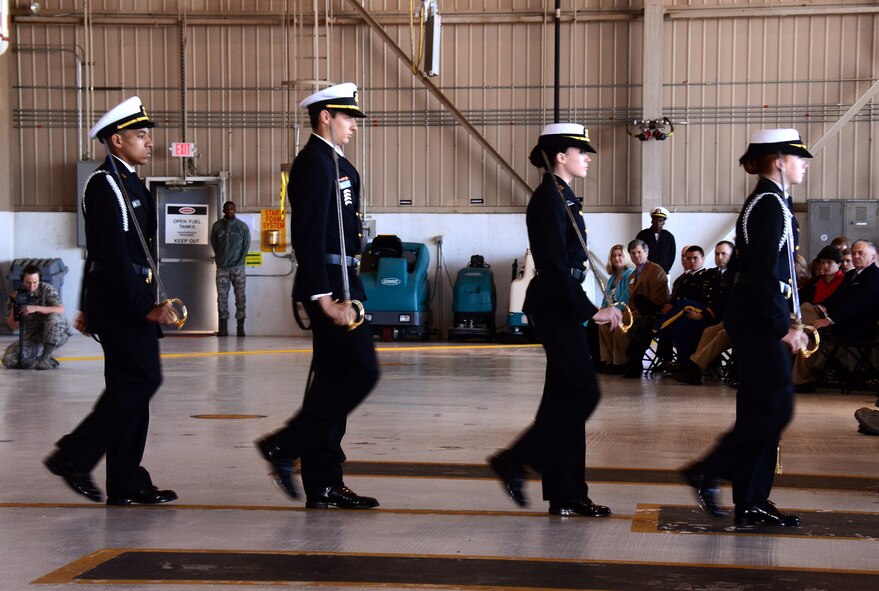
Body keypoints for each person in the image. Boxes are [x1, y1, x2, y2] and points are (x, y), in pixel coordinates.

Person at [44, 96, 179, 506]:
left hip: (125, 296)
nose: (149, 143)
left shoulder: (130, 183)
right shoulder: (104, 185)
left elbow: (106, 254)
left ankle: (126, 481)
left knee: (130, 387)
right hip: (124, 302)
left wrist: (87, 304)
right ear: (117, 140)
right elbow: (111, 254)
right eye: (141, 136)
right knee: (142, 381)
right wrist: (144, 307)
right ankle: (73, 455)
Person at [255, 83, 380, 510]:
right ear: (325, 116)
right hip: (331, 284)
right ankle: (285, 444)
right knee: (362, 372)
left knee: (332, 382)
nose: (353, 127)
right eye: (347, 118)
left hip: (347, 280)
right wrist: (324, 298)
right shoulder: (313, 163)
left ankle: (324, 482)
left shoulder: (335, 162)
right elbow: (306, 235)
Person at [488, 123, 621, 517]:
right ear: (560, 156)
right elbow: (555, 265)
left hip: (561, 302)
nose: (588, 157)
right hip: (555, 305)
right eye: (581, 152)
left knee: (564, 400)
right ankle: (516, 459)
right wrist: (590, 309)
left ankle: (567, 493)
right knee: (584, 393)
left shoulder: (564, 197)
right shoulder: (548, 198)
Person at [682, 128, 811, 527]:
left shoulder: (776, 202)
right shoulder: (768, 204)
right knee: (775, 405)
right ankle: (708, 469)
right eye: (798, 157)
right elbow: (759, 271)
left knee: (762, 408)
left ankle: (752, 500)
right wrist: (780, 325)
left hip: (760, 314)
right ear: (778, 160)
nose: (804, 163)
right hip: (757, 318)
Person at [793, 240, 879, 391]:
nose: (856, 256)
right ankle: (808, 333)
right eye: (854, 253)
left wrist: (828, 320)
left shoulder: (875, 277)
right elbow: (837, 298)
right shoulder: (852, 274)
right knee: (806, 309)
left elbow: (856, 304)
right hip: (838, 322)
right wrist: (822, 307)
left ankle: (800, 380)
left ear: (873, 257)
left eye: (861, 253)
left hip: (857, 327)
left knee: (809, 337)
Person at [671, 241, 734, 385]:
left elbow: (725, 302)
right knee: (707, 331)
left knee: (713, 332)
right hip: (719, 319)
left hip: (727, 319)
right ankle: (695, 369)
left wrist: (704, 314)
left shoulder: (734, 275)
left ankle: (692, 368)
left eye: (723, 253)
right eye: (717, 253)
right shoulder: (714, 273)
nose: (719, 257)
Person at [3, 265, 70, 370]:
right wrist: (15, 306)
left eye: (35, 282)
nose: (31, 286)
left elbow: (60, 309)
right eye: (28, 283)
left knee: (55, 318)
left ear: (39, 280)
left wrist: (36, 308)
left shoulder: (46, 289)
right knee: (9, 360)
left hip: (55, 333)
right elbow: (12, 326)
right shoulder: (17, 295)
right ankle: (38, 358)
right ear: (22, 281)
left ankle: (45, 358)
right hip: (33, 338)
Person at [621, 239, 670, 378]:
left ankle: (632, 363)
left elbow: (659, 300)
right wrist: (628, 312)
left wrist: (633, 314)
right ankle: (617, 362)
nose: (636, 256)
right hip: (636, 313)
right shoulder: (632, 275)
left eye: (639, 252)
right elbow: (631, 300)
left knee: (634, 323)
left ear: (646, 253)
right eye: (633, 253)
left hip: (653, 313)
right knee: (614, 323)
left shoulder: (655, 270)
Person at [210, 201, 250, 337]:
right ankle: (223, 328)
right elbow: (214, 244)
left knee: (240, 297)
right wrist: (220, 259)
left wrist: (239, 261)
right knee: (221, 297)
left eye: (232, 209)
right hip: (222, 268)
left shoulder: (242, 227)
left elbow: (246, 246)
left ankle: (240, 328)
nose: (229, 211)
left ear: (235, 209)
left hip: (238, 268)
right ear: (223, 210)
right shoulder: (217, 226)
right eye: (227, 209)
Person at [598, 244, 633, 372]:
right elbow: (606, 297)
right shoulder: (612, 277)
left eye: (620, 255)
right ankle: (607, 360)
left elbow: (626, 297)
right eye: (614, 255)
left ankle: (619, 362)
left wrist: (613, 311)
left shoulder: (629, 274)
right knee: (601, 324)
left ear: (626, 257)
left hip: (623, 311)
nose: (617, 258)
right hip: (611, 311)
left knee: (617, 325)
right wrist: (602, 310)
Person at [635, 207, 676, 273]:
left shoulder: (669, 237)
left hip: (663, 273)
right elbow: (636, 252)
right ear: (651, 221)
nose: (658, 223)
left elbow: (672, 256)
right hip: (645, 272)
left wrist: (666, 269)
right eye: (655, 219)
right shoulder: (642, 235)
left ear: (664, 222)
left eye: (660, 220)